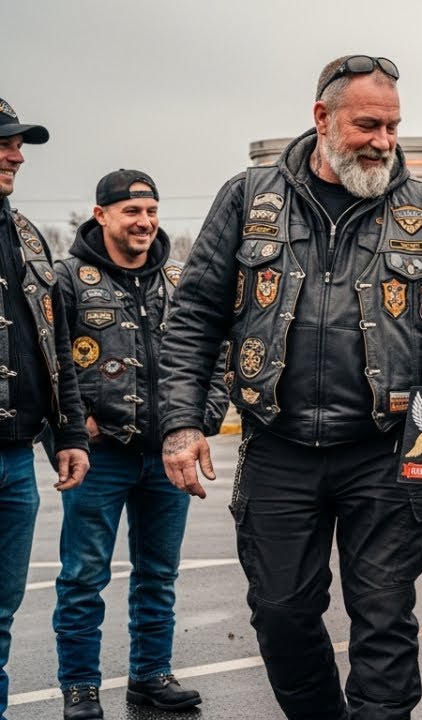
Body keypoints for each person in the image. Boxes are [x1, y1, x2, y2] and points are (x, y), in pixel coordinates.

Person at [158, 56, 422, 719]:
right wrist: (181, 420)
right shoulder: (247, 199)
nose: (384, 140)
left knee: (386, 620)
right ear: (322, 118)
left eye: (393, 125)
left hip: (385, 449)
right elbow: (193, 315)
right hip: (277, 447)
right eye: (368, 124)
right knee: (280, 615)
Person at [52, 170, 229, 719]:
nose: (145, 222)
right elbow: (49, 358)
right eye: (131, 212)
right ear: (101, 214)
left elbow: (216, 355)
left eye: (151, 211)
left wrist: (201, 420)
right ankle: (79, 686)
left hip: (166, 455)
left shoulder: (181, 279)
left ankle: (151, 676)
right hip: (98, 458)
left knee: (159, 575)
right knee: (84, 576)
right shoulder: (67, 280)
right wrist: (73, 423)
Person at [0, 97, 90, 720]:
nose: (16, 153)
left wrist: (69, 430)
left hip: (13, 460)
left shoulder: (27, 234)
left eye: (18, 142)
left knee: (1, 613)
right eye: (4, 142)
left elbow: (55, 340)